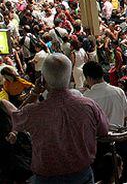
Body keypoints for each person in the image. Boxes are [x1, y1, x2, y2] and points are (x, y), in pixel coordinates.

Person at [2, 53, 109, 183]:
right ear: (69, 76)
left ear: (43, 79)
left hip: (46, 178)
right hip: (82, 175)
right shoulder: (89, 105)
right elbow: (103, 130)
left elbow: (16, 118)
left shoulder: (33, 112)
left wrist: (35, 93)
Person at [83, 61, 127, 126]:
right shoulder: (119, 91)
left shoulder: (86, 97)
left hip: (99, 135)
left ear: (88, 78)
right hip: (119, 134)